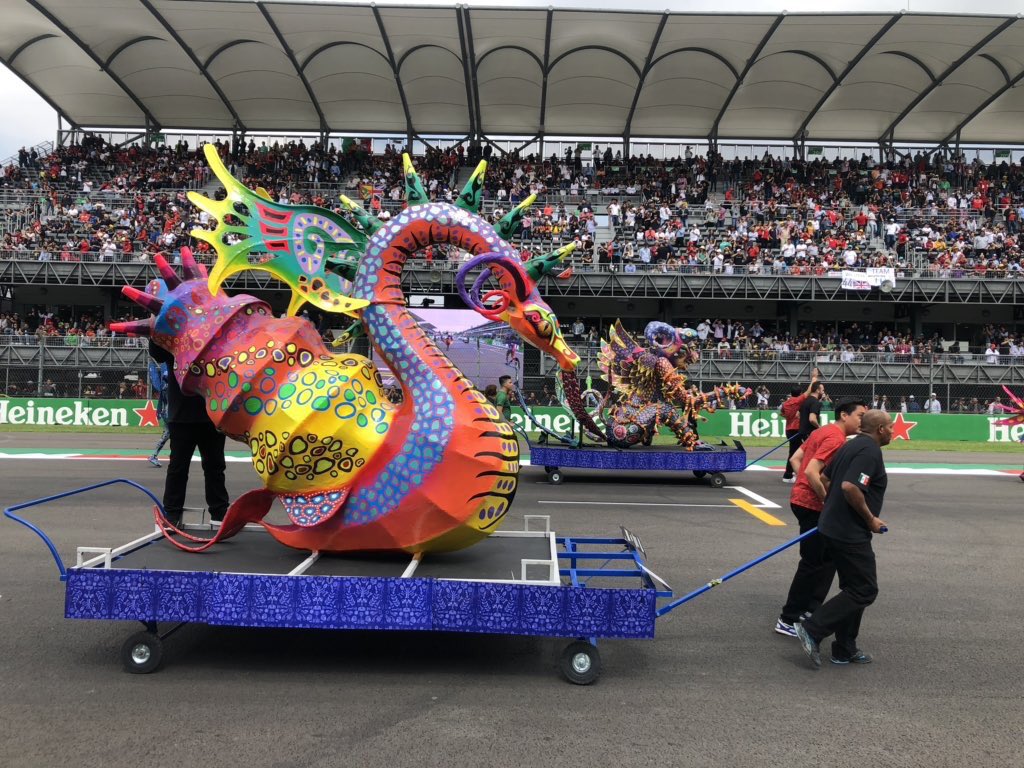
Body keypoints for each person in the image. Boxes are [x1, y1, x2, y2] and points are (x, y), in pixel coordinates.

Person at [795, 409, 893, 668]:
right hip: (849, 532)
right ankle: (813, 629)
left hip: (832, 527)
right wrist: (870, 518)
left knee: (853, 588)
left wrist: (831, 507)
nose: (893, 432)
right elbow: (850, 486)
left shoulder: (850, 446)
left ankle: (844, 649)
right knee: (865, 590)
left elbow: (826, 478)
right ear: (880, 429)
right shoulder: (870, 451)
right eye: (891, 427)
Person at [774, 397, 867, 638]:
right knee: (813, 563)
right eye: (859, 416)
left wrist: (805, 483)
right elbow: (811, 470)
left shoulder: (824, 431)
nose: (862, 421)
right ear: (844, 415)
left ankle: (809, 609)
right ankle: (789, 617)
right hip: (812, 506)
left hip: (800, 500)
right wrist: (826, 499)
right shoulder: (835, 439)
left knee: (825, 560)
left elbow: (796, 460)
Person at [148, 340, 229, 527]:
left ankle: (219, 513)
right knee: (178, 468)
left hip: (210, 417)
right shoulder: (175, 346)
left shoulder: (216, 347)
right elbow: (157, 353)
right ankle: (172, 514)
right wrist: (155, 324)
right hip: (182, 418)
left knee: (215, 468)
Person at [780, 370, 820, 482]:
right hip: (796, 430)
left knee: (794, 451)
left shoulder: (786, 403)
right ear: (799, 393)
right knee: (801, 452)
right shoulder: (798, 400)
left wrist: (792, 416)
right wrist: (814, 377)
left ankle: (788, 474)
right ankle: (794, 474)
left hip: (789, 429)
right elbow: (809, 390)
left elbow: (783, 414)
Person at [148, 361, 170, 468]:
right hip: (170, 414)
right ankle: (154, 455)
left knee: (168, 434)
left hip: (167, 414)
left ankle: (154, 455)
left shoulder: (162, 386)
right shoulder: (168, 387)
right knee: (171, 434)